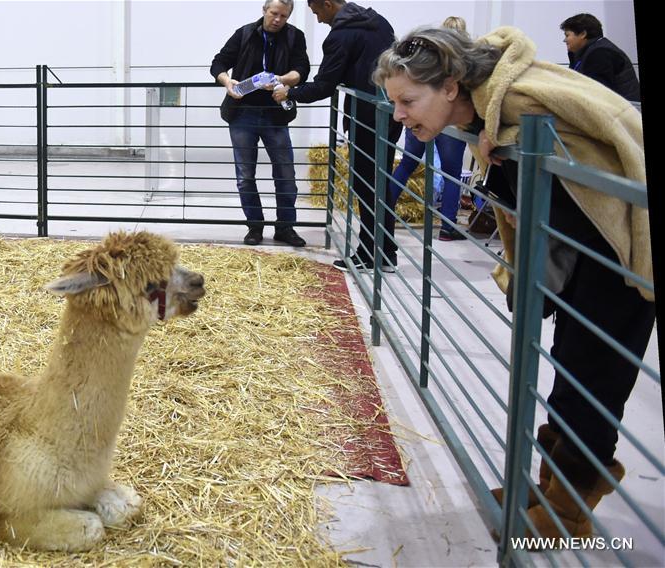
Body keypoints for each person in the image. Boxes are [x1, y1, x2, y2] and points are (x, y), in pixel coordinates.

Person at [373, 26, 653, 540]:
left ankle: (570, 508)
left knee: (596, 377)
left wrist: (508, 143)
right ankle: (551, 487)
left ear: (451, 87)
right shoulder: (495, 113)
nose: (400, 115)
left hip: (618, 250)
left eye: (409, 100)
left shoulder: (522, 102)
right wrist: (499, 150)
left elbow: (610, 136)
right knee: (572, 371)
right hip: (581, 250)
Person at [273, 0, 403, 272]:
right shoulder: (378, 21)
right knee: (381, 183)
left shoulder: (341, 35)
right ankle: (386, 252)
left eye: (318, 12)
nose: (319, 19)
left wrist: (290, 92)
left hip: (366, 117)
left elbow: (324, 86)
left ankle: (370, 255)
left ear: (329, 4)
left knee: (367, 185)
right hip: (392, 111)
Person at [210, 0, 310, 247]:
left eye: (283, 16)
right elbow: (218, 63)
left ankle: (285, 228)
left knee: (286, 173)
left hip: (276, 114)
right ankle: (254, 226)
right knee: (245, 175)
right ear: (264, 11)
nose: (277, 19)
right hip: (242, 113)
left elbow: (302, 69)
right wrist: (227, 82)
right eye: (274, 13)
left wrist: (283, 80)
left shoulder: (295, 36)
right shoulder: (244, 33)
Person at [388, 16, 469, 242]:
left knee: (407, 163)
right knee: (452, 173)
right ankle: (447, 227)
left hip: (421, 116)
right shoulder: (465, 62)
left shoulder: (428, 59)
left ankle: (385, 211)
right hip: (451, 122)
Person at [560, 13, 640, 102]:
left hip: (623, 112)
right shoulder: (588, 52)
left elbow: (597, 94)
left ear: (583, 34)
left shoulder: (600, 53)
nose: (564, 40)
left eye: (567, 35)